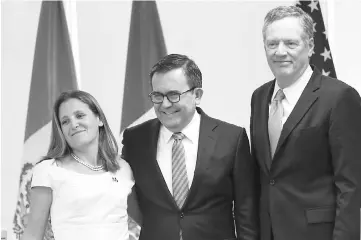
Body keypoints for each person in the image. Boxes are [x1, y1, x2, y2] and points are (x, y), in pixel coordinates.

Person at [250, 5, 361, 240]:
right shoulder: (259, 97)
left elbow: (350, 185)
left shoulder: (340, 97)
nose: (280, 51)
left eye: (291, 43)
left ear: (310, 46)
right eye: (272, 44)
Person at [121, 53, 259, 240]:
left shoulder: (231, 138)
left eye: (173, 95)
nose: (165, 104)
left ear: (197, 95)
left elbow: (246, 211)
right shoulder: (135, 139)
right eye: (157, 96)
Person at [22, 90, 141, 240]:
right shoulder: (48, 170)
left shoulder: (123, 167)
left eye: (79, 115)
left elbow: (146, 220)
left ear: (99, 120)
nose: (73, 124)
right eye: (65, 121)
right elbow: (33, 234)